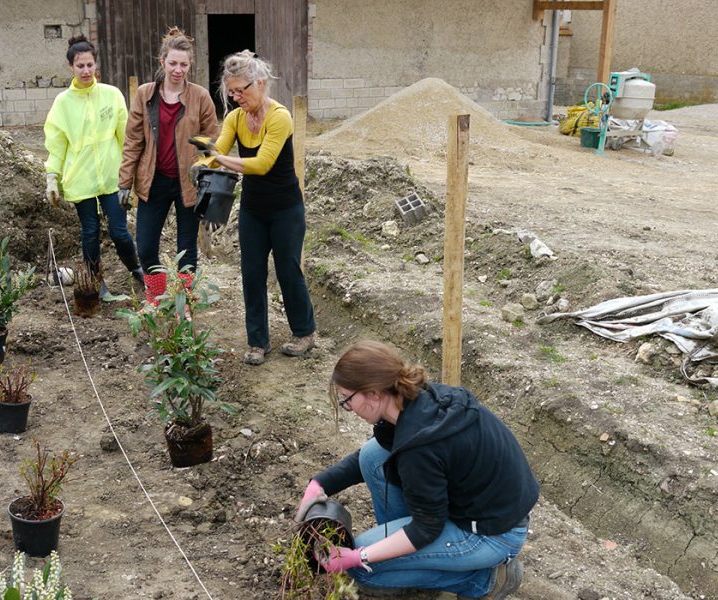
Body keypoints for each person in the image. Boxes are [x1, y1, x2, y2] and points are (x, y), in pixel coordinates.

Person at [296, 341, 539, 599]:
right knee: (372, 455)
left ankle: (484, 581)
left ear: (374, 394)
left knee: (365, 571)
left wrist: (358, 556)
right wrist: (320, 484)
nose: (348, 408)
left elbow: (426, 529)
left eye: (347, 399)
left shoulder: (419, 448)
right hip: (480, 508)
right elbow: (371, 458)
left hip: (493, 535)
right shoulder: (414, 400)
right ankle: (416, 561)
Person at [205, 50, 316, 365]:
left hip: (285, 209)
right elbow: (218, 148)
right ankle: (258, 342)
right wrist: (203, 155)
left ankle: (304, 331)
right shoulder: (235, 118)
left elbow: (261, 164)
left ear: (261, 83)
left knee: (288, 270)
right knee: (252, 273)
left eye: (243, 90)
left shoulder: (280, 116)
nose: (238, 97)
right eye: (232, 92)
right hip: (253, 209)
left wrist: (219, 159)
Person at [119, 27, 218, 305]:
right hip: (154, 180)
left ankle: (183, 301)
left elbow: (212, 140)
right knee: (147, 246)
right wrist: (124, 182)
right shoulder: (145, 94)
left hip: (189, 183)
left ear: (190, 65)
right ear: (162, 61)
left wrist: (204, 168)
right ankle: (157, 298)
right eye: (173, 63)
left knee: (186, 250)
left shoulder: (199, 97)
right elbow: (133, 141)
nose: (178, 70)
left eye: (183, 64)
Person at [44, 35, 144, 300]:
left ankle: (137, 270)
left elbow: (127, 137)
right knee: (89, 231)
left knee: (119, 231)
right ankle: (96, 283)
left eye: (90, 65)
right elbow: (56, 145)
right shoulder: (63, 103)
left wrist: (132, 173)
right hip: (81, 179)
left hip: (112, 177)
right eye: (80, 66)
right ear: (71, 68)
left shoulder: (111, 95)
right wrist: (52, 177)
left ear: (96, 65)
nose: (86, 71)